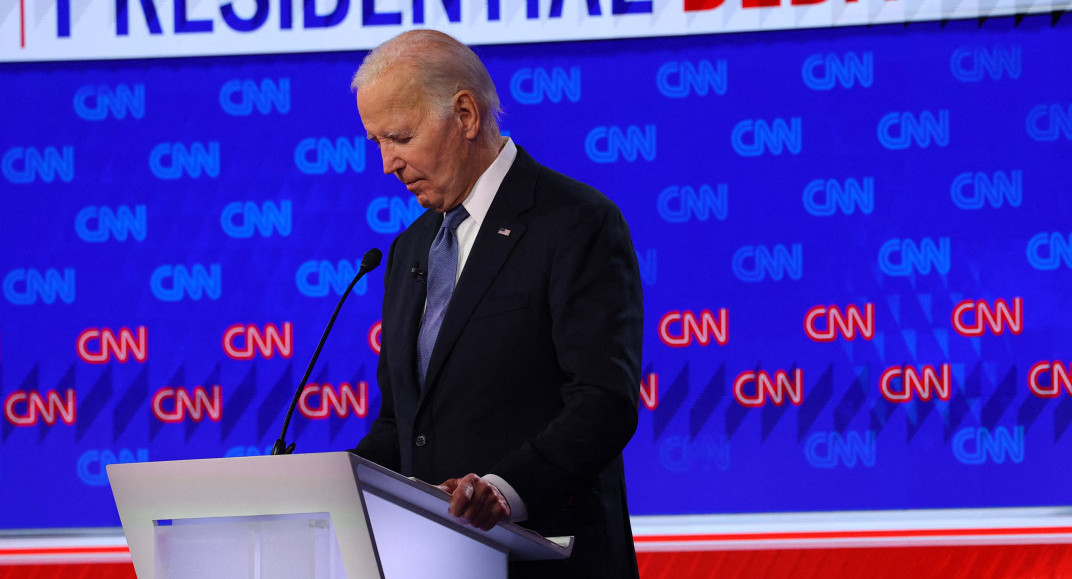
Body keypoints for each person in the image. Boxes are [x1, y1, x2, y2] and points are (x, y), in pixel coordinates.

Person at [350, 29, 643, 578]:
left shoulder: (576, 222)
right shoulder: (408, 249)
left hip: (551, 563)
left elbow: (603, 401)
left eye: (400, 137)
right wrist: (332, 492)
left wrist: (504, 491)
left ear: (464, 115)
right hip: (435, 565)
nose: (388, 164)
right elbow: (399, 424)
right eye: (378, 143)